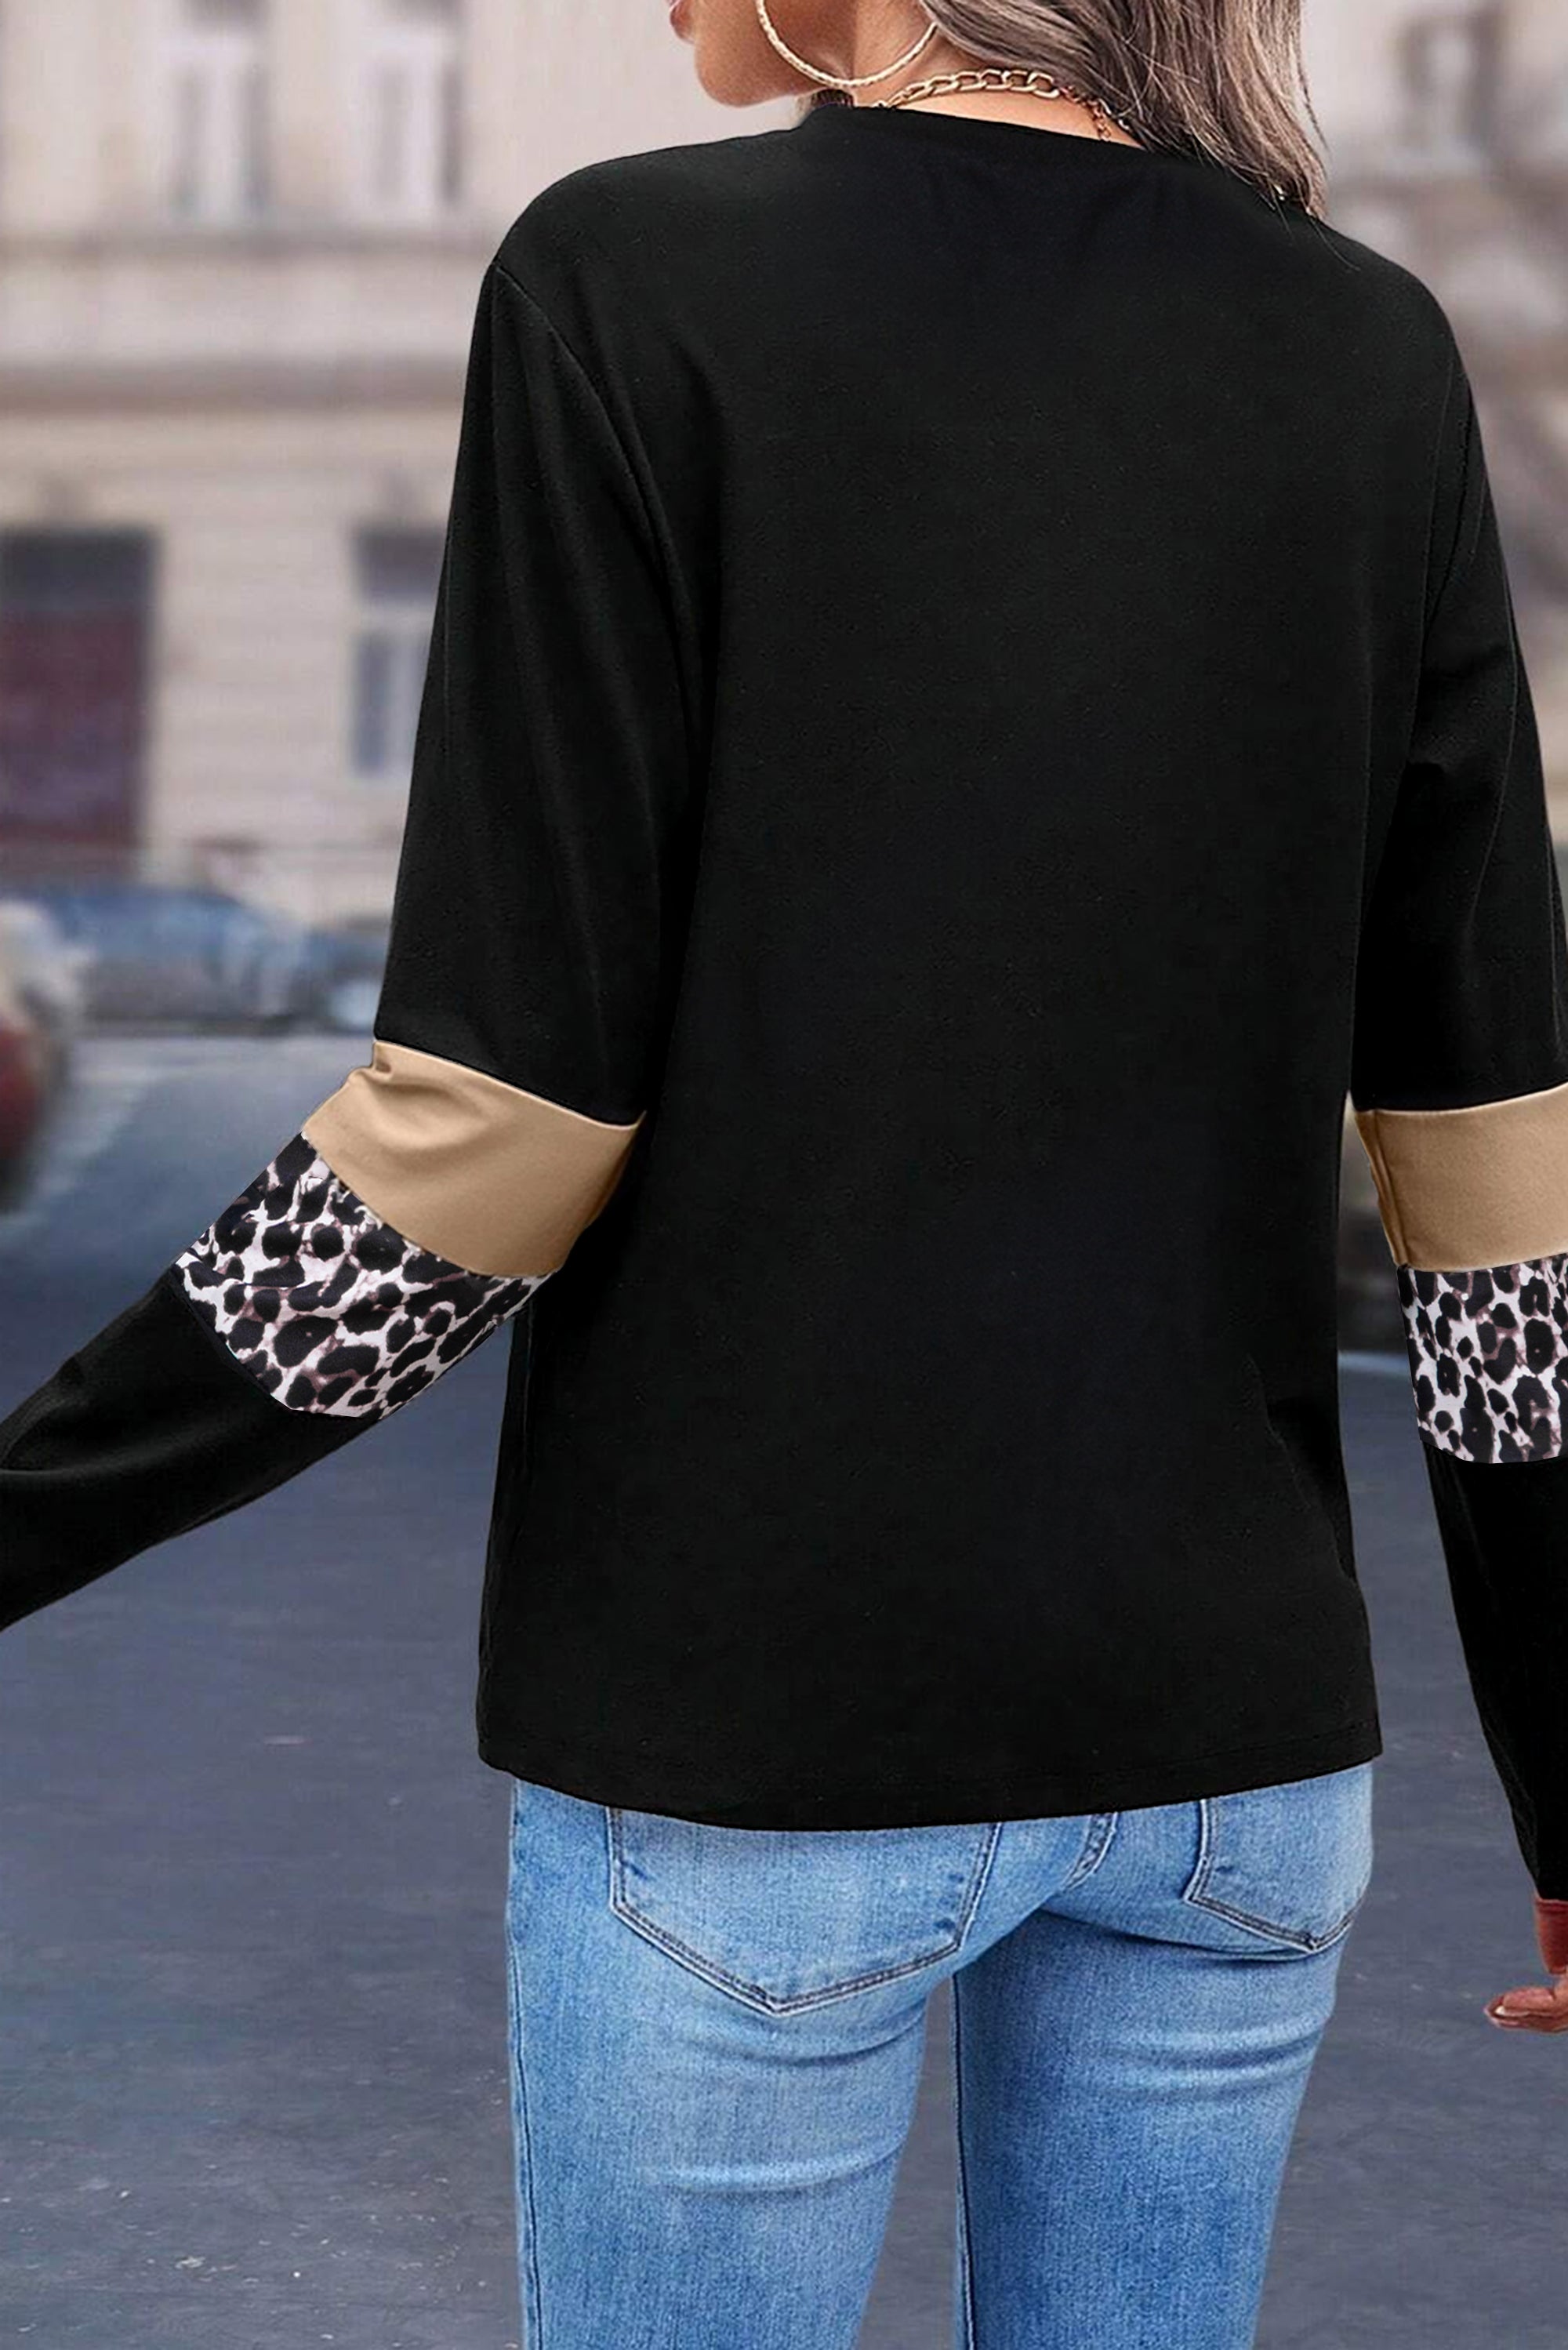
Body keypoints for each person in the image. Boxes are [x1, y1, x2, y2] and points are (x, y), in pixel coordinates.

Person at [4, 0, 1568, 2340]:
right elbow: (1499, 1180)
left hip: (759, 1739)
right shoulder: (1367, 346)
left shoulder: (630, 281)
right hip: (1230, 1767)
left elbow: (485, 1139)